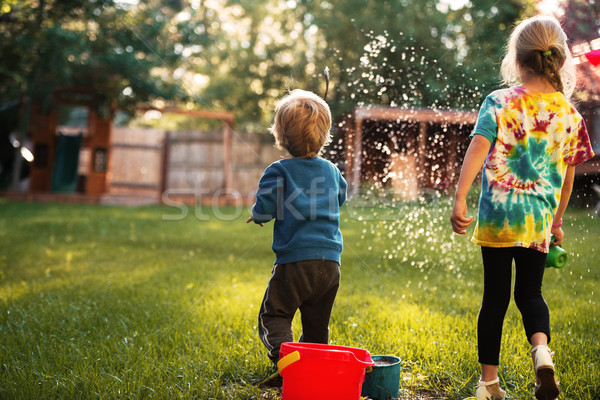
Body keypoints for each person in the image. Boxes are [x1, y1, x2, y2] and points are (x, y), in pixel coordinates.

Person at [450, 15, 594, 400]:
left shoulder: (499, 101)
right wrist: (557, 220)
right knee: (531, 293)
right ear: (559, 60)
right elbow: (567, 178)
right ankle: (542, 351)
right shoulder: (569, 115)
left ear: (517, 60)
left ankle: (489, 384)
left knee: (494, 299)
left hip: (499, 220)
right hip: (537, 224)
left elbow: (477, 148)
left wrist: (461, 196)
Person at [247, 89, 347, 383]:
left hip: (294, 261)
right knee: (317, 326)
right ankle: (310, 373)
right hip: (330, 264)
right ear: (324, 135)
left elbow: (265, 206)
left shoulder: (278, 170)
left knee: (274, 315)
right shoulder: (331, 170)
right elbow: (340, 197)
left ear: (281, 135)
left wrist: (259, 215)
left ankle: (284, 358)